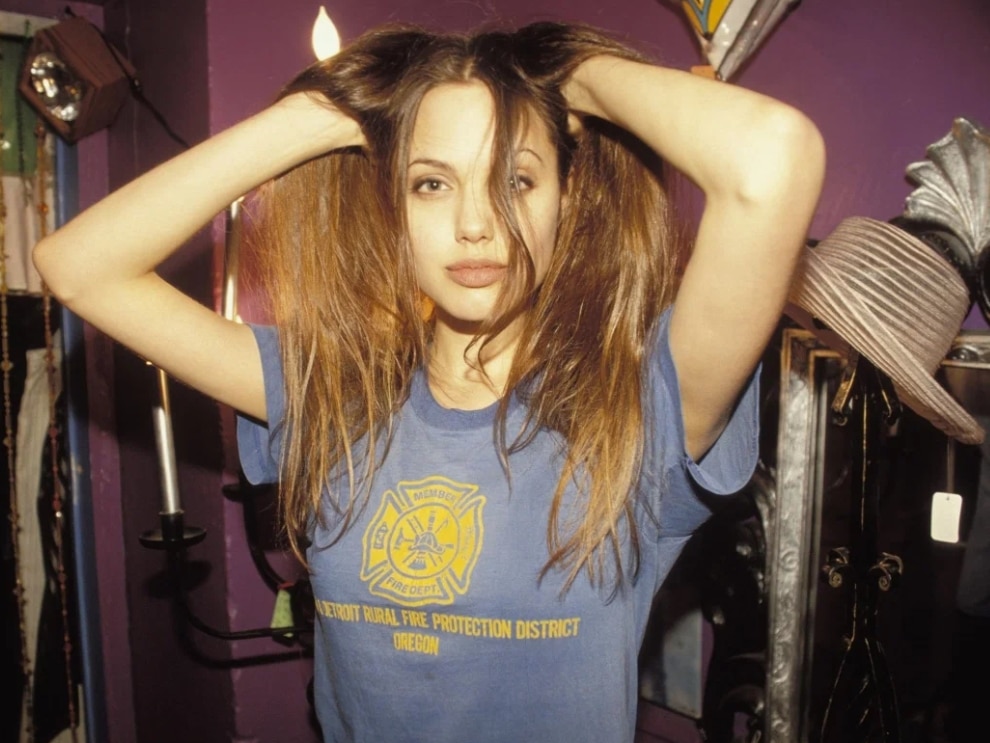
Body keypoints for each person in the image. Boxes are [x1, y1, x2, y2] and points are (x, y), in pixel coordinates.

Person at [32, 20, 825, 743]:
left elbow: (775, 158)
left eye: (517, 179)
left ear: (568, 197)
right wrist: (325, 115)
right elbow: (78, 266)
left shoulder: (641, 407)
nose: (475, 224)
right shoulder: (328, 391)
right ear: (392, 206)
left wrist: (568, 76)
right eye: (431, 183)